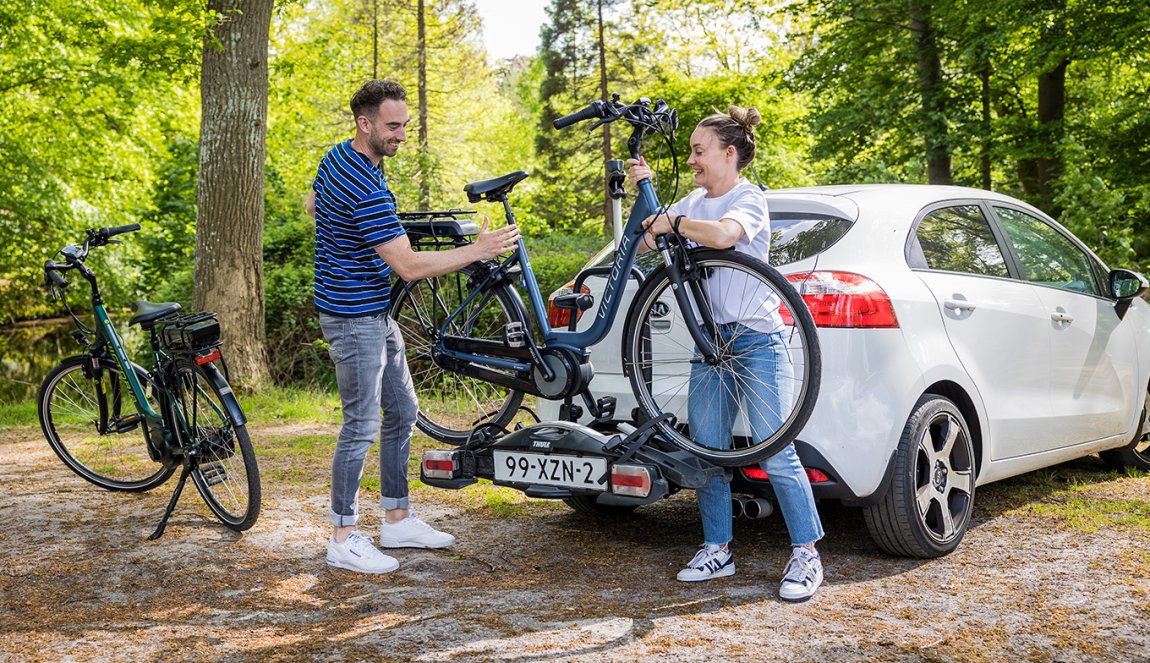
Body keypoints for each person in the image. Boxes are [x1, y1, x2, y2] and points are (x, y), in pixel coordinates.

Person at [312, 79, 520, 574]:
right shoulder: (363, 183)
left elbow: (315, 206)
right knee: (360, 424)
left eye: (404, 124)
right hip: (353, 318)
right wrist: (478, 250)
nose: (402, 133)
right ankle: (342, 536)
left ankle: (397, 519)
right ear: (365, 124)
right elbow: (407, 267)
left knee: (403, 410)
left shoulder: (342, 159)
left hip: (374, 311)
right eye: (393, 125)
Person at [626, 105, 825, 601]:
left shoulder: (748, 198)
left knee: (775, 451)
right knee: (707, 451)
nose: (693, 159)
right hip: (709, 345)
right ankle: (717, 547)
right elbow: (648, 242)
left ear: (729, 153)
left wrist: (674, 220)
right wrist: (647, 196)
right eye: (691, 151)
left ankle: (806, 553)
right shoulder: (693, 198)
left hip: (756, 340)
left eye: (699, 151)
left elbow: (722, 237)